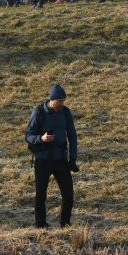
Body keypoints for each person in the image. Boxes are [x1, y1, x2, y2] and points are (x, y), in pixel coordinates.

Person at [25, 84, 78, 228]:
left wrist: (72, 158)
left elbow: (72, 136)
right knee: (40, 195)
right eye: (59, 101)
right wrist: (41, 139)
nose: (62, 104)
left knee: (68, 194)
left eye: (63, 101)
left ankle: (65, 223)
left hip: (61, 159)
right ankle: (40, 225)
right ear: (52, 99)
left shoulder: (66, 113)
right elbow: (28, 135)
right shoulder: (39, 112)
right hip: (42, 159)